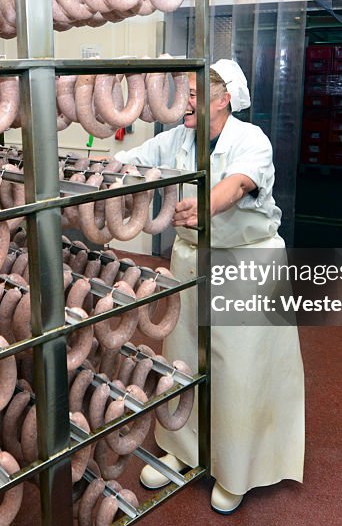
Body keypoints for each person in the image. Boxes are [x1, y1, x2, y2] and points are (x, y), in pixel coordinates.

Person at [113, 59, 306, 514]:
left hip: (245, 263)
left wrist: (204, 205)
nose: (188, 100)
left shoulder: (249, 139)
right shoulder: (179, 138)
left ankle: (236, 469)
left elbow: (239, 184)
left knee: (239, 367)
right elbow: (133, 160)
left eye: (197, 93)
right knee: (182, 356)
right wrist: (96, 171)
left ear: (224, 99)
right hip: (191, 261)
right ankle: (182, 451)